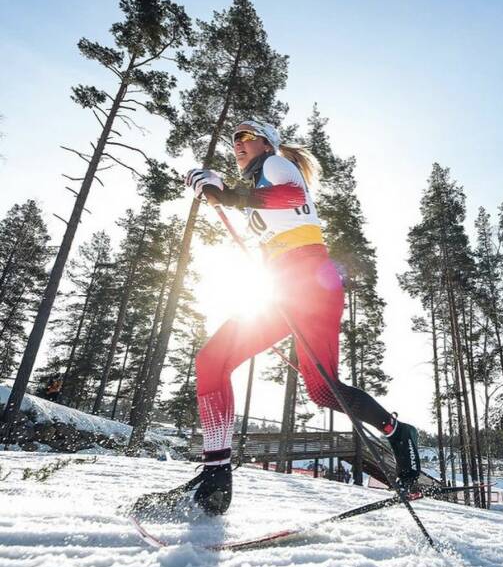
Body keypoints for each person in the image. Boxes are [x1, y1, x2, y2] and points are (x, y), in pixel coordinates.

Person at [133, 120, 420, 517]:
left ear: (268, 142)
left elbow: (286, 196)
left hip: (309, 280)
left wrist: (226, 195)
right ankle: (216, 472)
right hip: (287, 284)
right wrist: (214, 189)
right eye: (234, 140)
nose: (238, 144)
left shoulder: (276, 165)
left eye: (246, 137)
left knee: (291, 382)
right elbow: (262, 214)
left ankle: (396, 433)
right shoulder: (258, 181)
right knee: (244, 370)